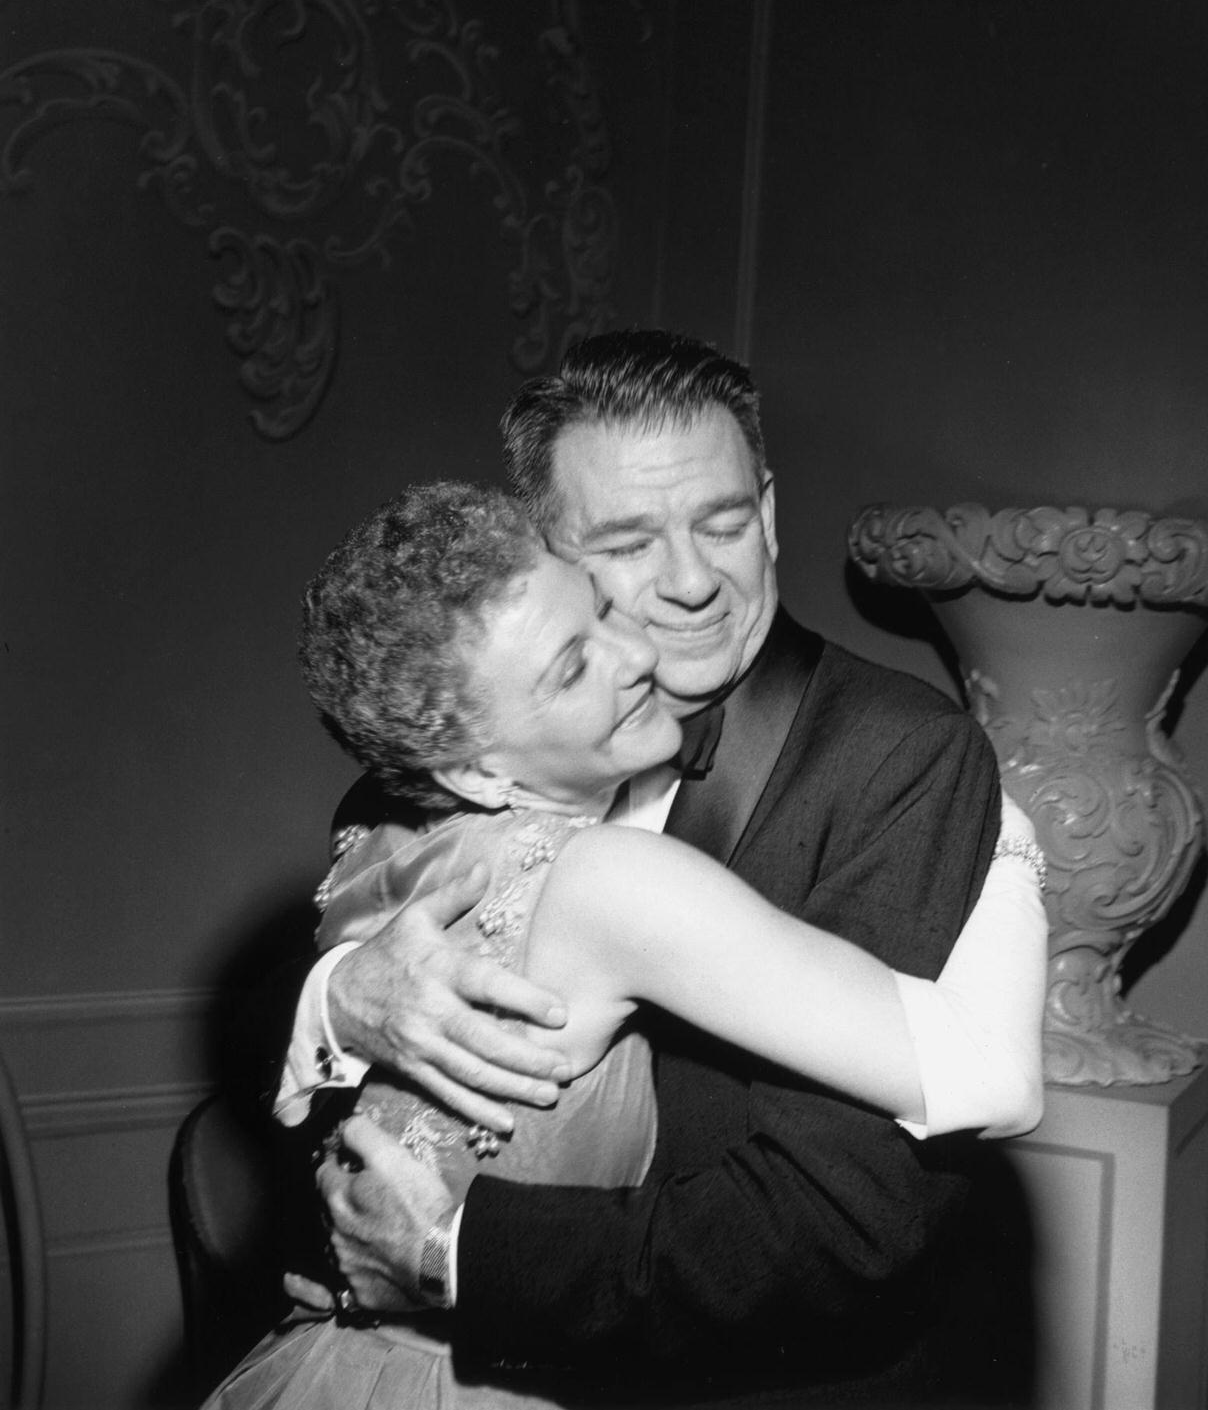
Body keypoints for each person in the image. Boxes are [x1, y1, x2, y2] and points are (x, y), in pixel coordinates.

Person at [273, 332, 1024, 1406]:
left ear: (769, 513)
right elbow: (323, 1087)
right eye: (627, 542)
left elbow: (855, 1216)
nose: (691, 582)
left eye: (723, 522)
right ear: (542, 551)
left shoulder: (899, 755)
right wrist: (338, 999)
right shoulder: (436, 765)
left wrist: (456, 1258)